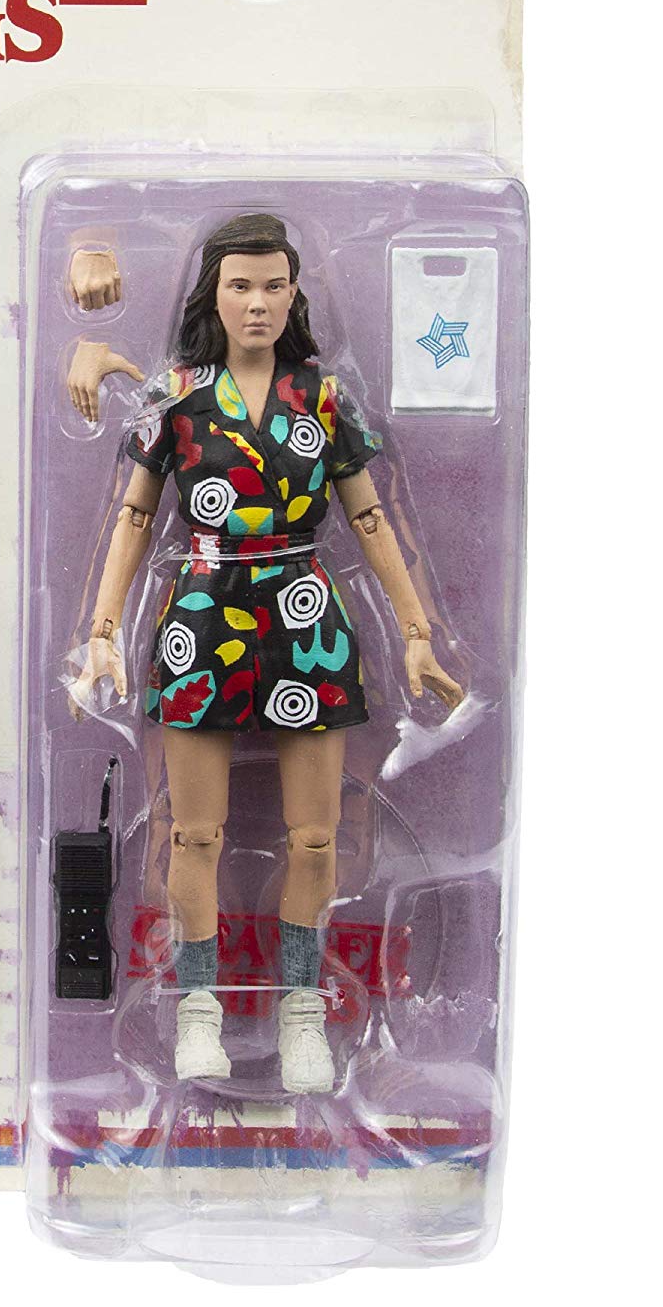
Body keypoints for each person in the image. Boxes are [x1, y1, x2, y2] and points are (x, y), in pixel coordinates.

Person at [71, 213, 463, 1093]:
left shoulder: (324, 399)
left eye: (274, 286)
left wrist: (415, 633)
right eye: (240, 285)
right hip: (202, 615)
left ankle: (302, 1014)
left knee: (318, 837)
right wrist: (101, 634)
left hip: (303, 612)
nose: (257, 303)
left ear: (295, 295)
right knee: (193, 832)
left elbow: (371, 517)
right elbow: (135, 515)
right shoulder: (178, 396)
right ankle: (197, 1011)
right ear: (214, 294)